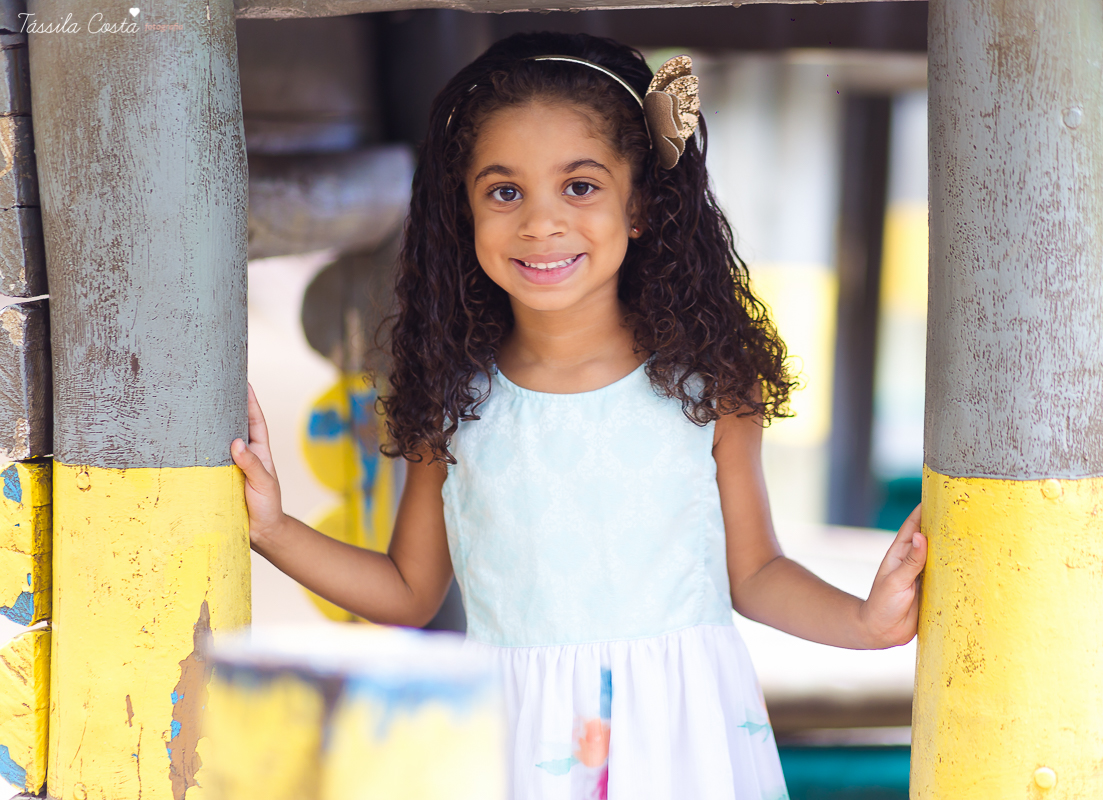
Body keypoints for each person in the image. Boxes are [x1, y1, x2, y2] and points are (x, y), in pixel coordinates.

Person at [231, 31, 925, 800]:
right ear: (464, 214)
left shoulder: (708, 385)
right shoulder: (455, 396)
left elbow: (755, 573)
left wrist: (866, 623)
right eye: (504, 192)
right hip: (510, 747)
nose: (540, 223)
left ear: (641, 207)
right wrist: (271, 528)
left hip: (681, 743)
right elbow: (407, 589)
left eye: (581, 187)